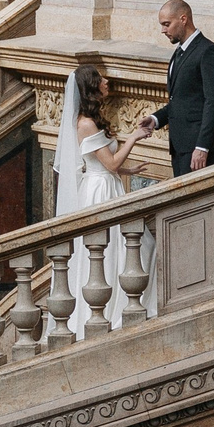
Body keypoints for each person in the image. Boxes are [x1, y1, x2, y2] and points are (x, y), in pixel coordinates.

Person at [52, 62, 149, 335]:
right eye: (99, 78)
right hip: (100, 191)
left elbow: (104, 164)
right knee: (116, 248)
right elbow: (111, 164)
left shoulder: (90, 121)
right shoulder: (85, 124)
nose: (106, 81)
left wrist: (130, 169)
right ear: (90, 87)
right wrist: (134, 137)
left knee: (127, 248)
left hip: (105, 184)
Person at [138, 0, 214, 176]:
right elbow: (181, 100)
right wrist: (155, 119)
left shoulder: (208, 51)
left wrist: (202, 146)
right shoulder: (179, 52)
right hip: (179, 146)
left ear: (183, 19)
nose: (163, 30)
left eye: (167, 24)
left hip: (197, 148)